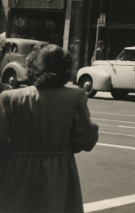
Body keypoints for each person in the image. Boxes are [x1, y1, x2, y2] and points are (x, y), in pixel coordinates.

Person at [0, 43, 99, 212]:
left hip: (19, 171)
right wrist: (64, 147)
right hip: (59, 172)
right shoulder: (75, 97)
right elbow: (87, 140)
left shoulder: (10, 98)